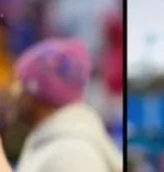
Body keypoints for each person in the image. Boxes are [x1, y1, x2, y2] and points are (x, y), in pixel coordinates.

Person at [11, 38, 123, 172]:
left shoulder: (70, 157)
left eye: (20, 85)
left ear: (41, 95)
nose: (13, 93)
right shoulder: (57, 146)